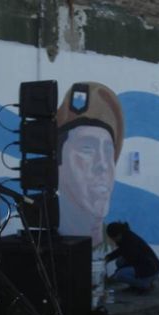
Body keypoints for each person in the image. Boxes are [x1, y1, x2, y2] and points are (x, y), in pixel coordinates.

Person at [56, 82, 124, 247]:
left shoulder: (113, 247)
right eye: (87, 148)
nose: (103, 165)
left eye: (108, 151)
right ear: (58, 161)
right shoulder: (48, 247)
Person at [104, 222, 159, 294]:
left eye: (113, 238)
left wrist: (114, 276)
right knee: (120, 262)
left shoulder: (131, 243)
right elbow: (121, 250)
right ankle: (135, 286)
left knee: (120, 275)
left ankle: (145, 285)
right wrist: (108, 257)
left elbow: (134, 262)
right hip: (149, 266)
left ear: (119, 235)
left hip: (151, 270)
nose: (113, 240)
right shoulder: (126, 237)